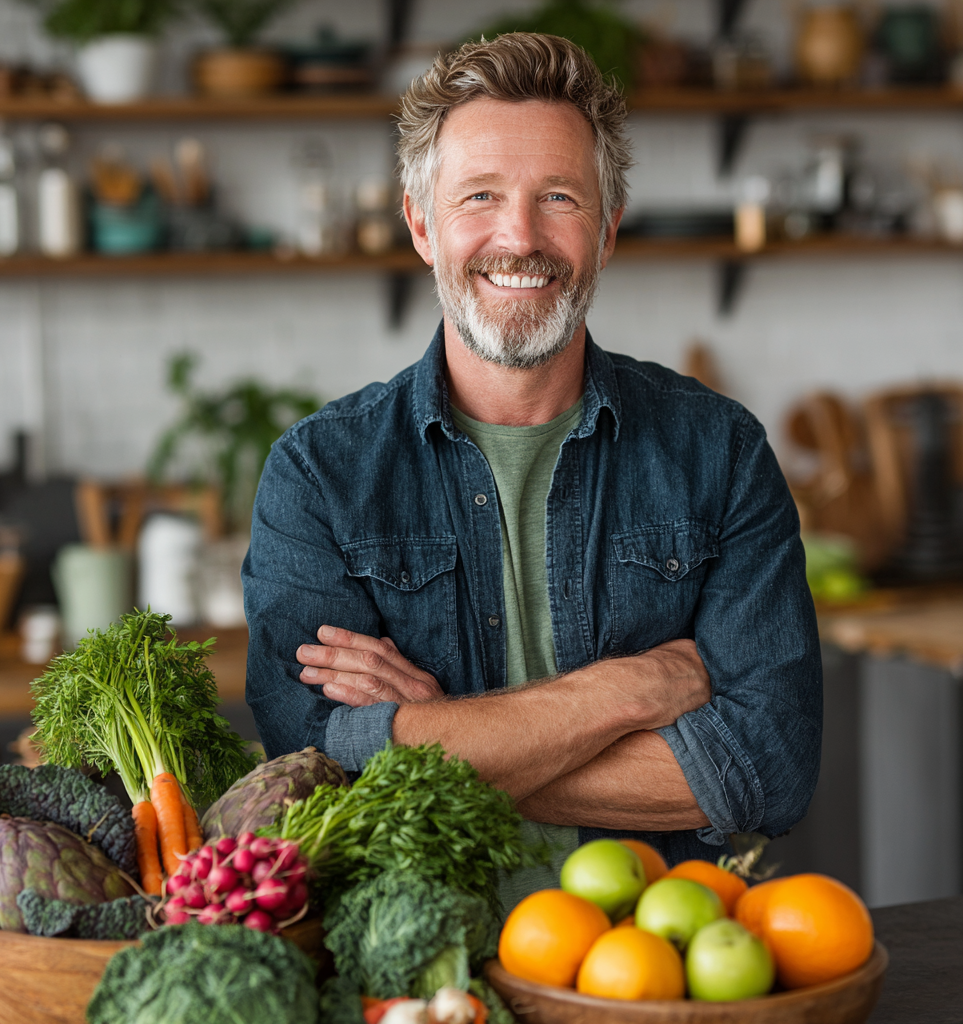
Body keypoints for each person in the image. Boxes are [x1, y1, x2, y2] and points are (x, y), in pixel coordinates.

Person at [243, 32, 822, 909]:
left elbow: (769, 772)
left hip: (651, 969)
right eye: (480, 196)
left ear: (608, 229)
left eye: (559, 197)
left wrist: (434, 733)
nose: (520, 237)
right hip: (414, 979)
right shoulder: (320, 476)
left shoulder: (720, 455)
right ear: (421, 225)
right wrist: (632, 688)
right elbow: (316, 766)